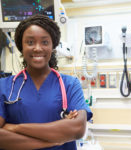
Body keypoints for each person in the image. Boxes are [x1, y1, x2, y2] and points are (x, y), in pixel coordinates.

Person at [0, 14, 93, 150]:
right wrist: (53, 141)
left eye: (44, 42)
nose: (37, 48)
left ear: (52, 46)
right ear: (21, 46)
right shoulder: (4, 86)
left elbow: (78, 128)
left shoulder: (70, 84)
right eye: (30, 42)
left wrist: (15, 127)